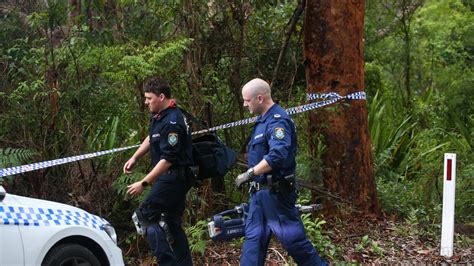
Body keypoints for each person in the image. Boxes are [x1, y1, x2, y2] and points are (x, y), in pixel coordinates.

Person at [235, 78, 327, 266]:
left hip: (276, 194)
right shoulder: (261, 121)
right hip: (258, 195)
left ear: (259, 98)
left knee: (294, 242)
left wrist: (249, 173)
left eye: (247, 100)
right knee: (253, 243)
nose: (245, 105)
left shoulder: (279, 120)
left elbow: (277, 155)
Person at [123, 77, 193, 266]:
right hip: (171, 178)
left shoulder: (173, 121)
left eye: (149, 98)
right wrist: (135, 157)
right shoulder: (159, 115)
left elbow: (168, 160)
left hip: (174, 177)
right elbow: (151, 137)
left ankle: (168, 263)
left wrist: (144, 182)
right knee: (171, 222)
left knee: (143, 217)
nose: (146, 102)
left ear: (161, 97)